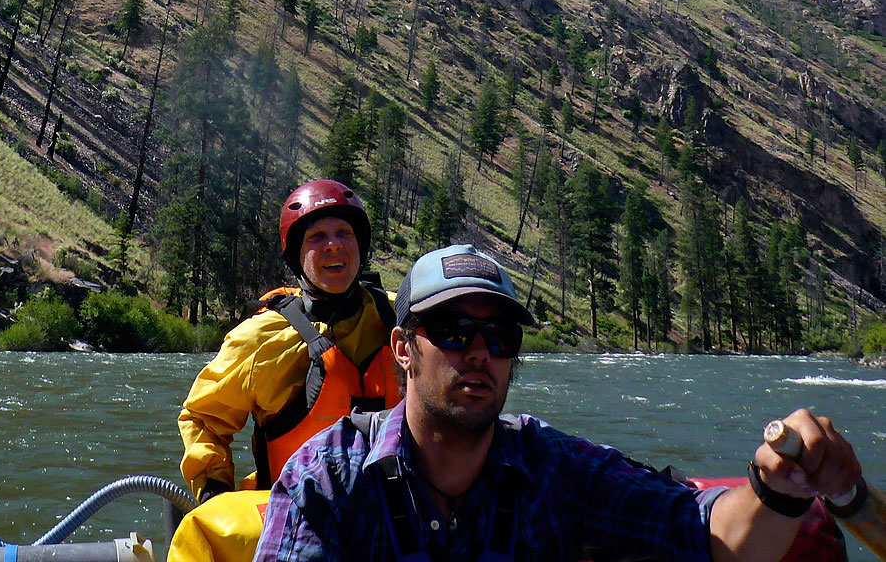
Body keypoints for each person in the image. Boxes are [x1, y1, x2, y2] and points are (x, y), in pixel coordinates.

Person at [253, 243, 863, 562]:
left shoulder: (554, 468)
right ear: (403, 350)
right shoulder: (326, 478)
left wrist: (777, 488)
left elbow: (704, 533)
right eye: (455, 331)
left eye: (499, 338)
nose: (479, 353)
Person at [178, 179, 401, 501]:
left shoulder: (402, 317)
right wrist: (214, 490)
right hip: (297, 516)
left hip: (393, 512)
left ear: (359, 246)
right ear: (297, 255)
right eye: (317, 237)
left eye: (344, 233)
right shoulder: (261, 338)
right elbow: (204, 419)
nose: (334, 245)